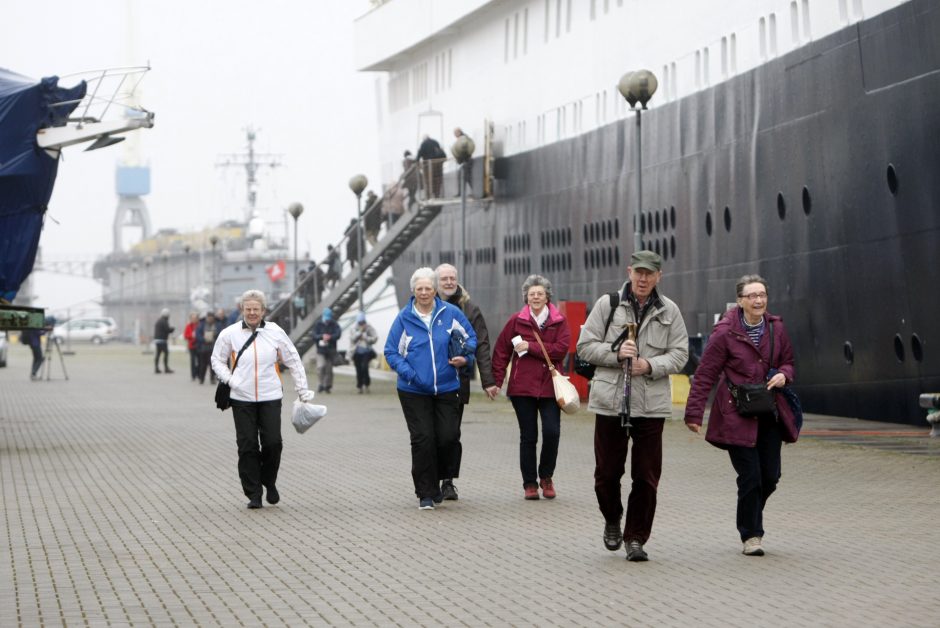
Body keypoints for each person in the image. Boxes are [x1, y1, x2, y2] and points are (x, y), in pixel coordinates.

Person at [576, 250, 689, 562]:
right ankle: (612, 518)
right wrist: (616, 355)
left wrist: (649, 365)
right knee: (607, 473)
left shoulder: (669, 311)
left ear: (658, 276)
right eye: (638, 272)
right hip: (610, 401)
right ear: (629, 272)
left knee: (647, 476)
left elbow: (681, 353)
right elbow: (584, 346)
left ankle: (636, 537)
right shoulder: (607, 304)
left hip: (650, 404)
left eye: (649, 273)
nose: (643, 279)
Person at [683, 274, 800, 557]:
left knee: (770, 477)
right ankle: (751, 535)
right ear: (740, 301)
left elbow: (789, 362)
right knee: (751, 477)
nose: (758, 300)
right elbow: (706, 373)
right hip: (736, 415)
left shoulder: (776, 328)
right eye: (752, 296)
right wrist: (694, 413)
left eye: (762, 295)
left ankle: (750, 514)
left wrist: (784, 375)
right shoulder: (725, 333)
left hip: (770, 412)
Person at [211, 289, 315, 509]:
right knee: (247, 445)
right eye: (247, 309)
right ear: (241, 310)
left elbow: (293, 360)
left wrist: (302, 390)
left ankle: (269, 481)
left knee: (273, 443)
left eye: (255, 309)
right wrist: (230, 381)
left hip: (270, 395)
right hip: (241, 397)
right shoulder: (229, 334)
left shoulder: (275, 332)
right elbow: (216, 360)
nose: (251, 313)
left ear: (263, 311)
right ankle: (254, 493)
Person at [384, 267, 477, 510]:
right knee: (423, 438)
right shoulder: (404, 318)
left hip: (447, 387)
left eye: (428, 288)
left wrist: (464, 358)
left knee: (447, 437)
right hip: (413, 390)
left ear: (435, 290)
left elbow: (471, 338)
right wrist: (411, 374)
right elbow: (391, 351)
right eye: (419, 289)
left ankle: (440, 481)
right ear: (413, 291)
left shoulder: (450, 313)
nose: (424, 293)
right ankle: (426, 492)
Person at [491, 274, 570, 501]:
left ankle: (546, 476)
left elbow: (561, 349)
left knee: (552, 432)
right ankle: (529, 484)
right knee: (529, 436)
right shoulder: (516, 321)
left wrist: (531, 347)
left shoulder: (559, 321)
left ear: (547, 297)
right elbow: (501, 351)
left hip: (550, 387)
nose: (535, 297)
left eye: (540, 294)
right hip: (522, 388)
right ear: (526, 297)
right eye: (531, 294)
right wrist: (496, 381)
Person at [435, 263, 498, 501]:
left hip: (456, 382)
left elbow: (481, 343)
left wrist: (488, 381)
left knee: (450, 434)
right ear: (436, 282)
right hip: (428, 382)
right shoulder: (425, 307)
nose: (449, 282)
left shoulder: (469, 308)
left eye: (452, 278)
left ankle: (448, 481)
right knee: (430, 434)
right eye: (444, 279)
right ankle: (431, 479)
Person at [312, 307, 341, 393]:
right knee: (321, 367)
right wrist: (321, 336)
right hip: (321, 350)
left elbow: (338, 334)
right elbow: (314, 335)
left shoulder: (334, 324)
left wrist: (330, 337)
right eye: (326, 319)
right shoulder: (318, 324)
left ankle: (327, 385)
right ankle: (320, 384)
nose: (327, 321)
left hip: (330, 350)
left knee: (329, 369)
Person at [350, 312, 378, 393]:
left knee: (364, 367)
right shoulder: (354, 328)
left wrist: (366, 337)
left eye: (362, 322)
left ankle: (367, 384)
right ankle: (360, 386)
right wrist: (359, 333)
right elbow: (352, 339)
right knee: (358, 369)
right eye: (360, 322)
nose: (361, 324)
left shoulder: (369, 327)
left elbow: (375, 338)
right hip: (356, 352)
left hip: (366, 351)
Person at [196, 311, 223, 384]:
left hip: (214, 347)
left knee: (213, 365)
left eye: (211, 318)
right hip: (203, 347)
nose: (210, 319)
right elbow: (197, 334)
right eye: (209, 318)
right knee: (203, 364)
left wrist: (215, 335)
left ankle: (212, 378)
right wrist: (203, 339)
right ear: (206, 318)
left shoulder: (218, 324)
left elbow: (221, 334)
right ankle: (201, 379)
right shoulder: (201, 324)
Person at [453, 127, 475, 194]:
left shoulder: (463, 139)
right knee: (466, 177)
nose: (454, 135)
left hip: (466, 160)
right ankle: (463, 192)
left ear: (459, 132)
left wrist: (459, 158)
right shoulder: (464, 138)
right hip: (467, 160)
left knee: (466, 177)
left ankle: (462, 193)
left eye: (455, 133)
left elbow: (464, 151)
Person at [153, 308, 175, 374]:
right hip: (162, 340)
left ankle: (156, 368)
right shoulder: (164, 321)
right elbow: (167, 330)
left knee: (158, 354)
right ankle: (166, 368)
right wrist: (172, 329)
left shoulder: (158, 320)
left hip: (157, 340)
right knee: (166, 353)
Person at [183, 312, 199, 381]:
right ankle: (193, 375)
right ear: (190, 319)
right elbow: (185, 336)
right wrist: (191, 336)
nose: (194, 319)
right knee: (192, 360)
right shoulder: (188, 326)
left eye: (195, 318)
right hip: (191, 346)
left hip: (199, 345)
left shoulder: (199, 325)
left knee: (199, 361)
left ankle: (198, 374)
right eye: (192, 318)